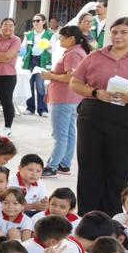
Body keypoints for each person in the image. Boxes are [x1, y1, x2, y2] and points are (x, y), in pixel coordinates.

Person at [70, 17, 128, 216]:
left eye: (124, 32)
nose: (118, 36)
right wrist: (95, 92)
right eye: (114, 32)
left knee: (120, 168)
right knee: (89, 166)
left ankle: (113, 217)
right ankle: (87, 216)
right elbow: (75, 83)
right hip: (94, 115)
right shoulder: (95, 56)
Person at [41, 25, 90, 177]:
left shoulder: (74, 54)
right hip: (71, 98)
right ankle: (64, 163)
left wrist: (51, 76)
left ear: (71, 39)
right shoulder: (77, 52)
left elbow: (70, 77)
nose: (60, 39)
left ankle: (53, 165)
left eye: (62, 37)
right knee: (69, 133)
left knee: (60, 135)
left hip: (64, 98)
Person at [22, 14, 53, 117]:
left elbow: (52, 50)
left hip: (42, 61)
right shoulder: (28, 34)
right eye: (34, 21)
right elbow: (23, 48)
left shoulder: (50, 34)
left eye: (38, 20)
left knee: (40, 86)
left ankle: (43, 109)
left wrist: (47, 46)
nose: (35, 23)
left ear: (44, 22)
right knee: (29, 85)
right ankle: (30, 108)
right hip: (30, 61)